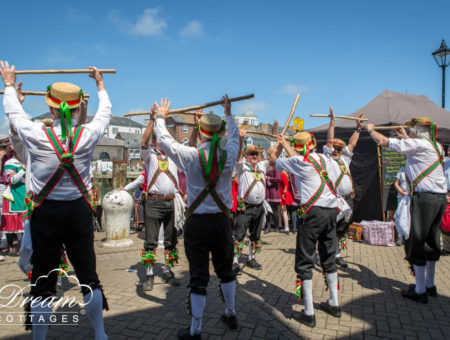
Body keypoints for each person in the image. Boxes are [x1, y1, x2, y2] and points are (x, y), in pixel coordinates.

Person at [1, 60, 110, 339]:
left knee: (43, 281)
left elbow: (14, 115)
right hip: (77, 211)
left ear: (51, 107)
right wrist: (100, 85)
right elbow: (104, 114)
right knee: (88, 276)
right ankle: (100, 334)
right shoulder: (87, 135)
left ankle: (39, 338)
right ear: (76, 108)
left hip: (46, 214)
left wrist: (10, 86)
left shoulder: (37, 135)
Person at [152, 96, 239, 340]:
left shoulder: (190, 156)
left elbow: (165, 141)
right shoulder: (229, 155)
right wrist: (229, 114)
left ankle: (196, 330)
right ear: (219, 133)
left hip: (198, 223)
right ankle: (231, 314)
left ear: (199, 133)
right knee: (226, 270)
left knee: (198, 276)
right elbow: (236, 138)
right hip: (222, 222)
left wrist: (160, 117)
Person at [366, 117, 447, 303]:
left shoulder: (418, 144)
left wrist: (370, 129)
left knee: (416, 239)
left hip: (424, 198)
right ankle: (429, 285)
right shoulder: (437, 146)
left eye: (410, 130)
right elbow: (411, 149)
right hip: (438, 198)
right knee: (431, 239)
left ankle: (419, 291)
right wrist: (405, 135)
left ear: (416, 132)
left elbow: (383, 142)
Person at [271, 132, 340, 327]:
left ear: (299, 147)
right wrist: (285, 144)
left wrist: (278, 145)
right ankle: (334, 304)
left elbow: (274, 162)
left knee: (305, 259)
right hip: (331, 213)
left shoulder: (300, 162)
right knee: (329, 256)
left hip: (312, 214)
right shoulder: (328, 160)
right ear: (314, 144)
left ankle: (309, 313)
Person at [139, 103, 183, 291]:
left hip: (170, 201)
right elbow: (143, 142)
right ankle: (149, 275)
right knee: (150, 240)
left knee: (170, 240)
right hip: (154, 201)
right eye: (157, 139)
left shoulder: (174, 156)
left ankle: (167, 271)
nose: (159, 141)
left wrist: (197, 125)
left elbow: (192, 144)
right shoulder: (150, 155)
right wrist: (151, 121)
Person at [324, 108, 364, 268]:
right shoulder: (327, 159)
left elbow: (353, 143)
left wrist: (358, 127)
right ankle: (326, 253)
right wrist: (332, 122)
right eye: (334, 147)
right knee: (330, 227)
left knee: (343, 228)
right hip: (334, 199)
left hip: (347, 199)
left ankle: (337, 254)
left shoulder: (345, 158)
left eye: (338, 149)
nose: (335, 150)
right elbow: (329, 140)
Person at [233, 132, 272, 270]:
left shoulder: (262, 166)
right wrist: (241, 139)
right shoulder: (241, 166)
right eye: (250, 154)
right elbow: (237, 155)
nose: (254, 156)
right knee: (239, 234)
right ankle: (235, 261)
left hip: (260, 207)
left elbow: (274, 158)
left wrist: (279, 143)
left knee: (255, 235)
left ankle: (251, 258)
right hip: (245, 207)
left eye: (256, 154)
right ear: (245, 156)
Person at [0, 144, 26, 256]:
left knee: (25, 222)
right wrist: (22, 171)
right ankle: (12, 246)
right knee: (12, 221)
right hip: (14, 195)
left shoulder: (26, 162)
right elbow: (11, 180)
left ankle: (24, 245)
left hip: (24, 193)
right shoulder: (10, 163)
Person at [394, 167, 409, 246]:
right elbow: (396, 183)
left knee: (409, 218)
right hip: (401, 197)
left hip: (411, 198)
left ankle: (409, 238)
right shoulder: (401, 170)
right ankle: (400, 238)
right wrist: (402, 192)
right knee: (399, 217)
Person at [264, 165, 281, 234]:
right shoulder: (266, 167)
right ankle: (268, 226)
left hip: (274, 191)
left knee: (274, 209)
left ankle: (276, 227)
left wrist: (268, 178)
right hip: (267, 191)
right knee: (267, 209)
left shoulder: (276, 168)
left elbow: (278, 178)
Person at [280, 170, 293, 234]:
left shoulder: (282, 174)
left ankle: (286, 227)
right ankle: (286, 227)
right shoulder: (285, 174)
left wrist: (284, 193)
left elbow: (286, 184)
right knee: (284, 211)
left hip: (283, 194)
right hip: (284, 193)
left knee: (284, 211)